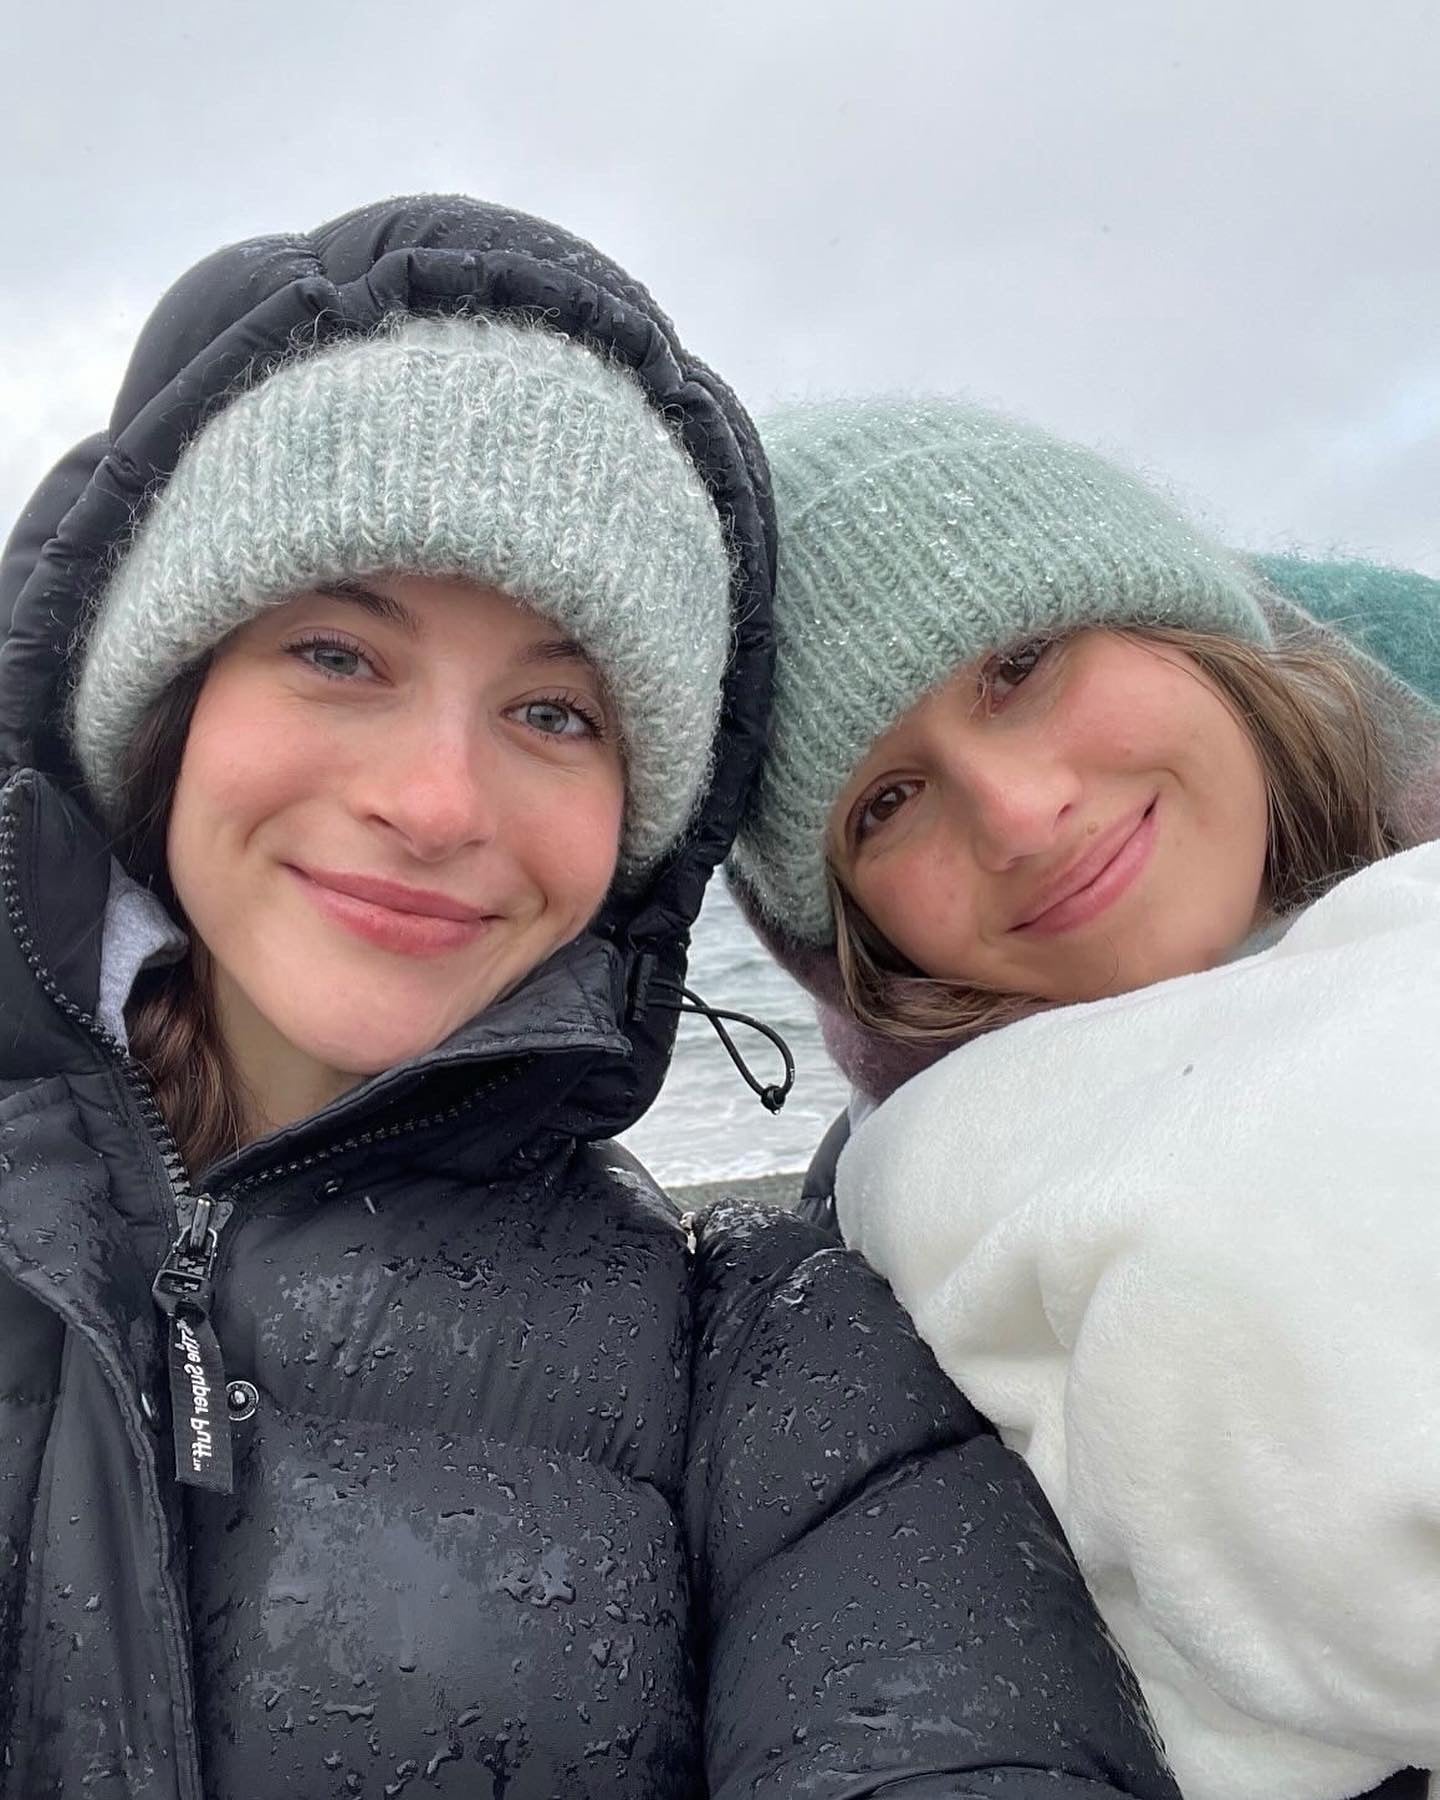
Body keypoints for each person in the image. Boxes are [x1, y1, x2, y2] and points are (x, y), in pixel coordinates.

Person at [0, 202, 1181, 1799]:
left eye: (554, 711)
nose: (434, 801)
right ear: (168, 701)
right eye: (341, 654)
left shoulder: (773, 1367)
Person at [729, 397, 1440, 1800]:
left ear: (1187, 628)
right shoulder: (896, 1314)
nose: (1019, 810)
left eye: (1021, 664)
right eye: (884, 802)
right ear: (855, 942)